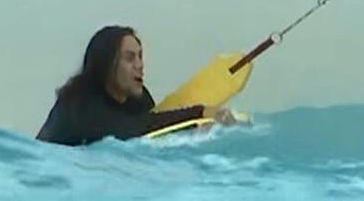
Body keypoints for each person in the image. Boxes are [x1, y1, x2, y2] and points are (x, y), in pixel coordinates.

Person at [36, 25, 235, 146]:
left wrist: (203, 122)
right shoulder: (79, 103)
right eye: (129, 58)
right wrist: (200, 113)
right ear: (107, 64)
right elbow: (136, 129)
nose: (140, 65)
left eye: (140, 57)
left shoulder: (138, 98)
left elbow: (150, 127)